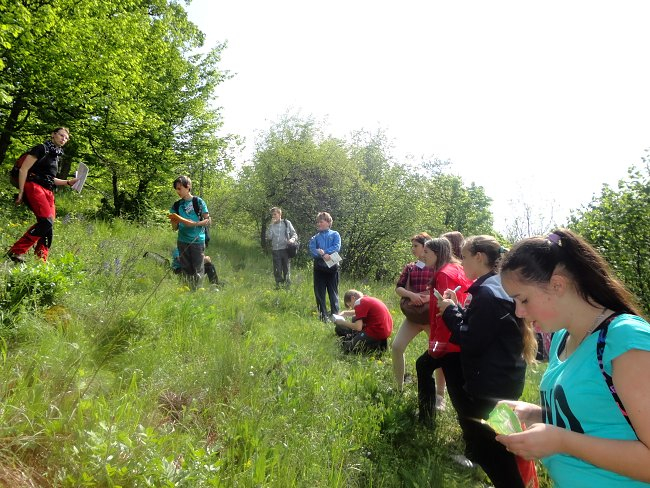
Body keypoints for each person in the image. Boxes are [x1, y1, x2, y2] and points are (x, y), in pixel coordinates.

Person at [496, 229, 650, 487]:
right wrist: (538, 415)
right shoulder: (562, 338)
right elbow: (595, 419)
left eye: (523, 299)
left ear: (557, 284)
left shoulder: (624, 339)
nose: (519, 312)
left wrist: (561, 441)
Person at [435, 235, 537, 488]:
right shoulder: (499, 286)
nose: (461, 262)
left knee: (494, 450)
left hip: (489, 383)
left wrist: (449, 311)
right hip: (505, 376)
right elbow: (483, 328)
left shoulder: (487, 293)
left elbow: (470, 339)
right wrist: (458, 308)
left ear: (479, 257)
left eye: (465, 257)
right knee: (499, 444)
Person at [416, 238, 472, 423]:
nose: (423, 255)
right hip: (461, 335)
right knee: (458, 386)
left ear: (437, 254)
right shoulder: (456, 268)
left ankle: (426, 418)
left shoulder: (443, 275)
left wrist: (436, 344)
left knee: (457, 391)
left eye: (427, 252)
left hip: (450, 340)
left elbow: (445, 311)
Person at [7, 127, 78, 262]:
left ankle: (41, 260)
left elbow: (51, 179)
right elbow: (24, 170)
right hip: (34, 187)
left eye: (66, 138)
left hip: (48, 191)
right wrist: (21, 192)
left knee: (48, 225)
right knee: (46, 222)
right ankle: (16, 251)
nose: (64, 139)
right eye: (61, 135)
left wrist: (68, 182)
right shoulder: (41, 148)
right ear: (53, 135)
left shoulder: (56, 155)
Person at [392, 232, 438, 391]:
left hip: (431, 317)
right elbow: (398, 288)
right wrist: (411, 295)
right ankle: (399, 387)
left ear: (426, 246)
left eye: (416, 246)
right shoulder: (410, 267)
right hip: (413, 316)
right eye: (412, 246)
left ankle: (440, 394)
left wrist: (425, 298)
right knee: (397, 347)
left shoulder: (437, 267)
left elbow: (442, 291)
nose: (413, 249)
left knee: (438, 352)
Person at [167, 176, 210, 290]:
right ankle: (186, 290)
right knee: (186, 268)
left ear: (188, 187)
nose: (178, 191)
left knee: (198, 268)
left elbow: (207, 220)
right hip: (182, 240)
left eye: (180, 188)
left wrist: (195, 224)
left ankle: (197, 291)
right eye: (176, 189)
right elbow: (174, 228)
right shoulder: (176, 205)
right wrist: (174, 221)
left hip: (197, 240)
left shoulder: (198, 202)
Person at [331, 290, 393, 354]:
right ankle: (369, 341)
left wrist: (342, 322)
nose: (352, 307)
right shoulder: (365, 299)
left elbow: (358, 327)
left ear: (353, 298)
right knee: (354, 318)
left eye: (350, 305)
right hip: (385, 330)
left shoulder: (359, 303)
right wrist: (345, 313)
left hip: (376, 331)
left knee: (347, 347)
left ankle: (373, 346)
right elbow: (360, 312)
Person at [308, 211, 341, 321]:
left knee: (333, 291)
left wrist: (326, 252)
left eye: (321, 222)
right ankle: (323, 316)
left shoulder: (335, 234)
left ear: (328, 222)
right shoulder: (315, 238)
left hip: (333, 266)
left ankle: (335, 315)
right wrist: (322, 255)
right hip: (319, 267)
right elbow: (312, 250)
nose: (319, 224)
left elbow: (337, 246)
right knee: (319, 292)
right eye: (318, 222)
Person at [265, 207, 297, 288]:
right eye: (272, 215)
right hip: (275, 250)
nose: (273, 216)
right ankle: (279, 286)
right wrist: (271, 226)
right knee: (277, 270)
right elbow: (269, 237)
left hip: (286, 249)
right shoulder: (271, 225)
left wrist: (292, 240)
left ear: (280, 214)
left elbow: (294, 234)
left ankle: (287, 286)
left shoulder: (286, 223)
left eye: (275, 214)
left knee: (286, 269)